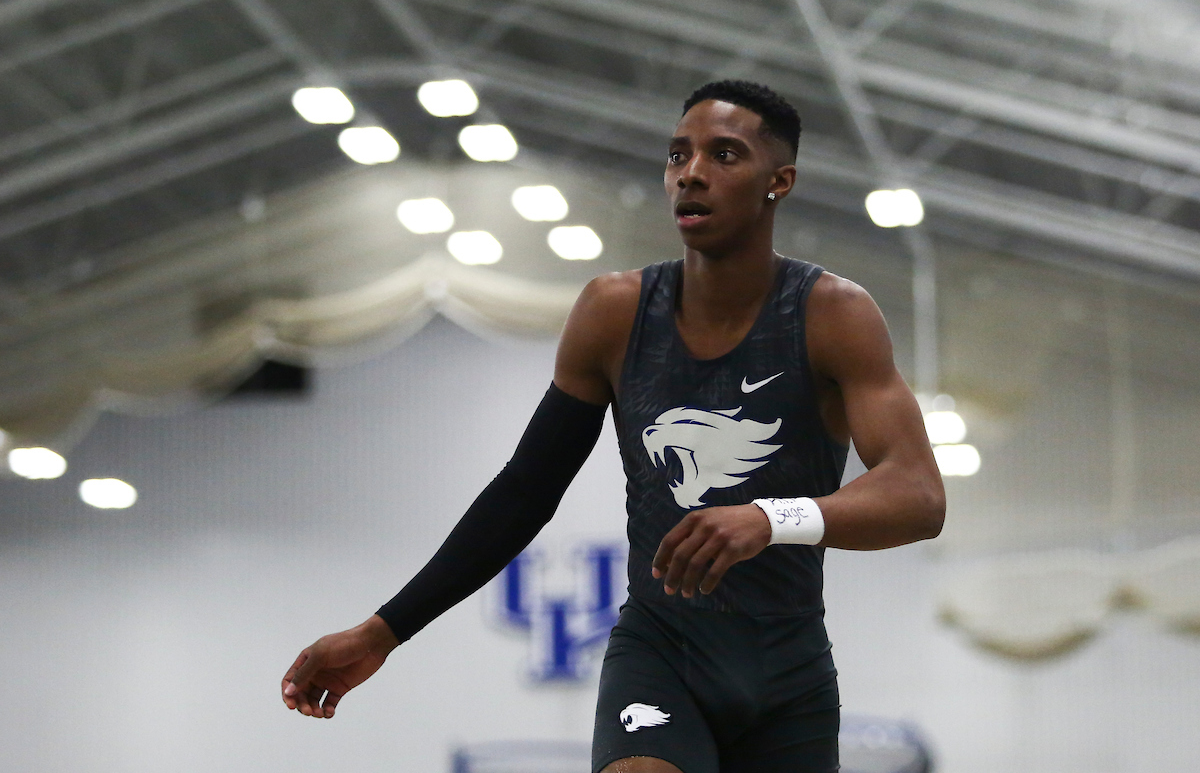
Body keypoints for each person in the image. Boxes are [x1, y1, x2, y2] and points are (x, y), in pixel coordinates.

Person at [281, 80, 946, 773]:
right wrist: (383, 632)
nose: (691, 173)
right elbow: (523, 493)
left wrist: (770, 518)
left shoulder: (832, 314)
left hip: (789, 665)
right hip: (661, 652)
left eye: (724, 155)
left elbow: (919, 497)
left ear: (779, 181)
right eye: (677, 155)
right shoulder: (614, 311)